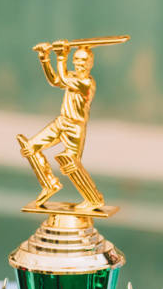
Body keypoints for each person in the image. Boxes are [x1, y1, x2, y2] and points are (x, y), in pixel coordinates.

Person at [18, 41, 105, 210]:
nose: (79, 64)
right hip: (61, 122)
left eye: (83, 61)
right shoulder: (71, 77)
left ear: (90, 64)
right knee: (30, 147)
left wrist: (60, 56)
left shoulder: (87, 83)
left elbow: (63, 78)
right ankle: (49, 184)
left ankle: (94, 199)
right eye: (76, 60)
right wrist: (44, 58)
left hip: (75, 128)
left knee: (70, 164)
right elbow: (56, 80)